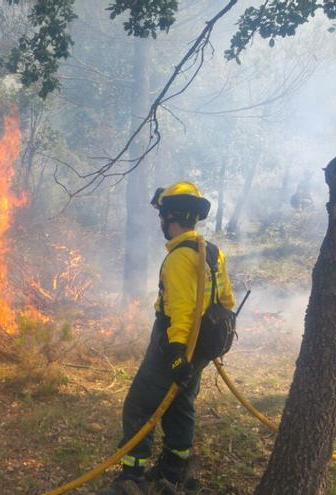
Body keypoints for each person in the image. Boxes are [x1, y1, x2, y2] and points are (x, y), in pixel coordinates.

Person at [99, 181, 235, 495]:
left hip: (176, 342)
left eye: (162, 215)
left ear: (170, 217)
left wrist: (176, 352)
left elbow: (183, 311)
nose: (161, 222)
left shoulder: (178, 258)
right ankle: (174, 470)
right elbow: (226, 301)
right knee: (181, 403)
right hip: (203, 343)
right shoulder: (213, 253)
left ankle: (133, 478)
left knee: (139, 405)